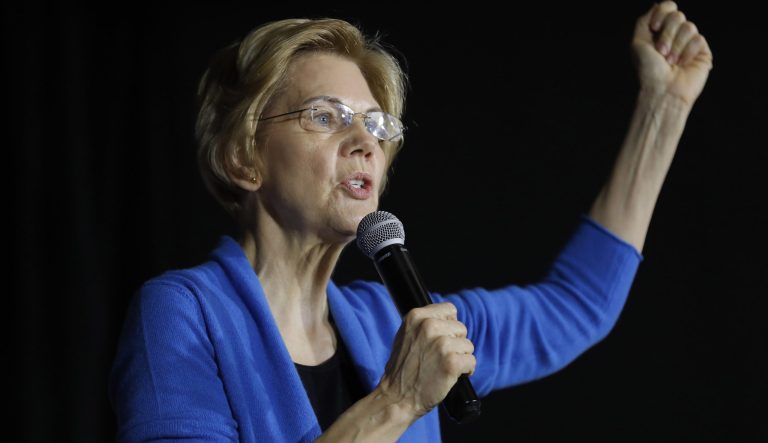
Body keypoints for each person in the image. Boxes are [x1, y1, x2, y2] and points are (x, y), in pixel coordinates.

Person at [108, 2, 712, 441]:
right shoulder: (183, 314)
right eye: (326, 116)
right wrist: (395, 403)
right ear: (243, 157)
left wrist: (664, 108)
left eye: (374, 125)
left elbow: (578, 303)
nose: (364, 143)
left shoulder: (391, 319)